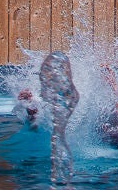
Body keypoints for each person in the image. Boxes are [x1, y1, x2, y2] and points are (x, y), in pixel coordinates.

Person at [36, 50, 79, 183]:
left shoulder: (69, 95)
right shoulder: (56, 96)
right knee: (59, 137)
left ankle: (62, 180)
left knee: (59, 137)